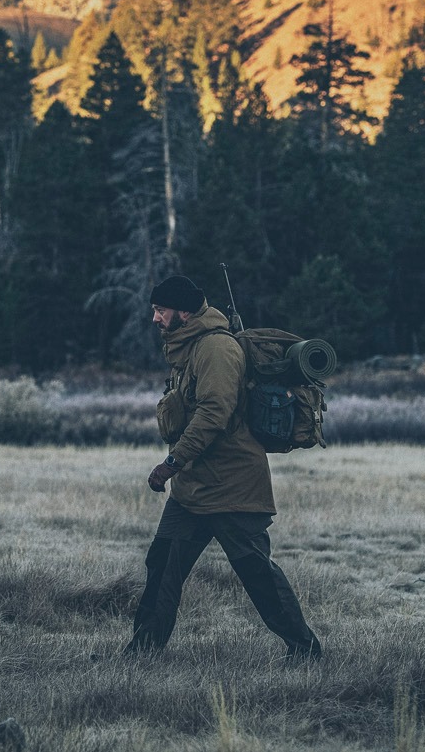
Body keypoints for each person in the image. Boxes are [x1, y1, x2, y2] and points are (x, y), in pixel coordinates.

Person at [124, 274, 322, 659]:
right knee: (162, 566)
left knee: (258, 575)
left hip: (233, 486)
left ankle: (305, 651)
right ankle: (142, 654)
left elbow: (215, 413)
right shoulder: (188, 346)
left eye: (160, 311)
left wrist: (172, 462)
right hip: (194, 487)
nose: (155, 319)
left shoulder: (216, 348)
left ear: (183, 311)